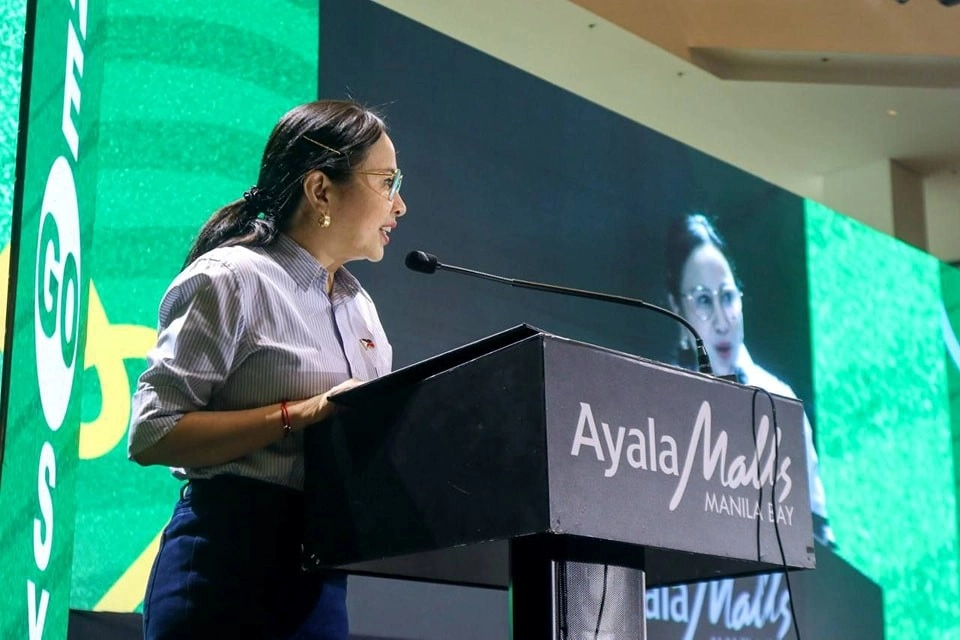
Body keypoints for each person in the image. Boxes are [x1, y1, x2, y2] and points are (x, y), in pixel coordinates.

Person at [127, 99, 406, 639]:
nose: (400, 205)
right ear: (321, 190)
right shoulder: (231, 278)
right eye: (386, 182)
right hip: (224, 571)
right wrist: (301, 413)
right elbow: (153, 433)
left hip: (320, 583)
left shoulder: (361, 309)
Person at [664, 213, 835, 548]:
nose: (722, 321)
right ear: (676, 309)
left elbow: (819, 534)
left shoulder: (781, 401)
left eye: (728, 297)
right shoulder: (661, 406)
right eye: (703, 300)